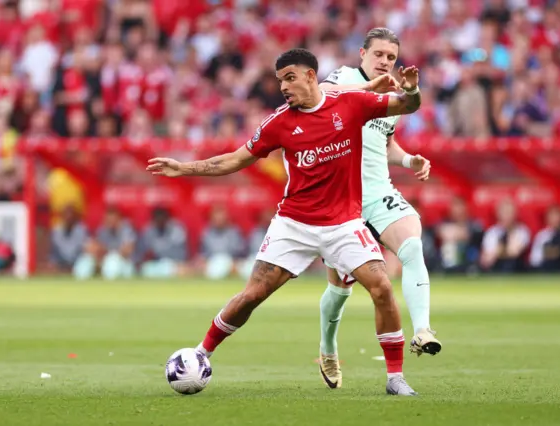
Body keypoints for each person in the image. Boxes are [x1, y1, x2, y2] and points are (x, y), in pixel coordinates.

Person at [147, 48, 423, 395]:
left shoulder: (351, 104)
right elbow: (236, 159)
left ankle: (395, 378)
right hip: (294, 223)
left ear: (310, 76)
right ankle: (200, 354)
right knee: (252, 295)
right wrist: (184, 168)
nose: (283, 87)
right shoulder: (279, 122)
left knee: (382, 288)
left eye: (289, 78)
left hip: (344, 224)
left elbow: (406, 106)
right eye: (280, 81)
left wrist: (411, 90)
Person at [316, 27, 439, 389]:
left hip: (377, 192)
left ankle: (422, 331)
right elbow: (323, 94)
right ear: (362, 54)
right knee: (339, 290)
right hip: (340, 199)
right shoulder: (344, 78)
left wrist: (409, 159)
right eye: (379, 55)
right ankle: (327, 348)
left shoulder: (393, 98)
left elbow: (386, 144)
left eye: (391, 57)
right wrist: (369, 89)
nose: (385, 62)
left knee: (413, 246)